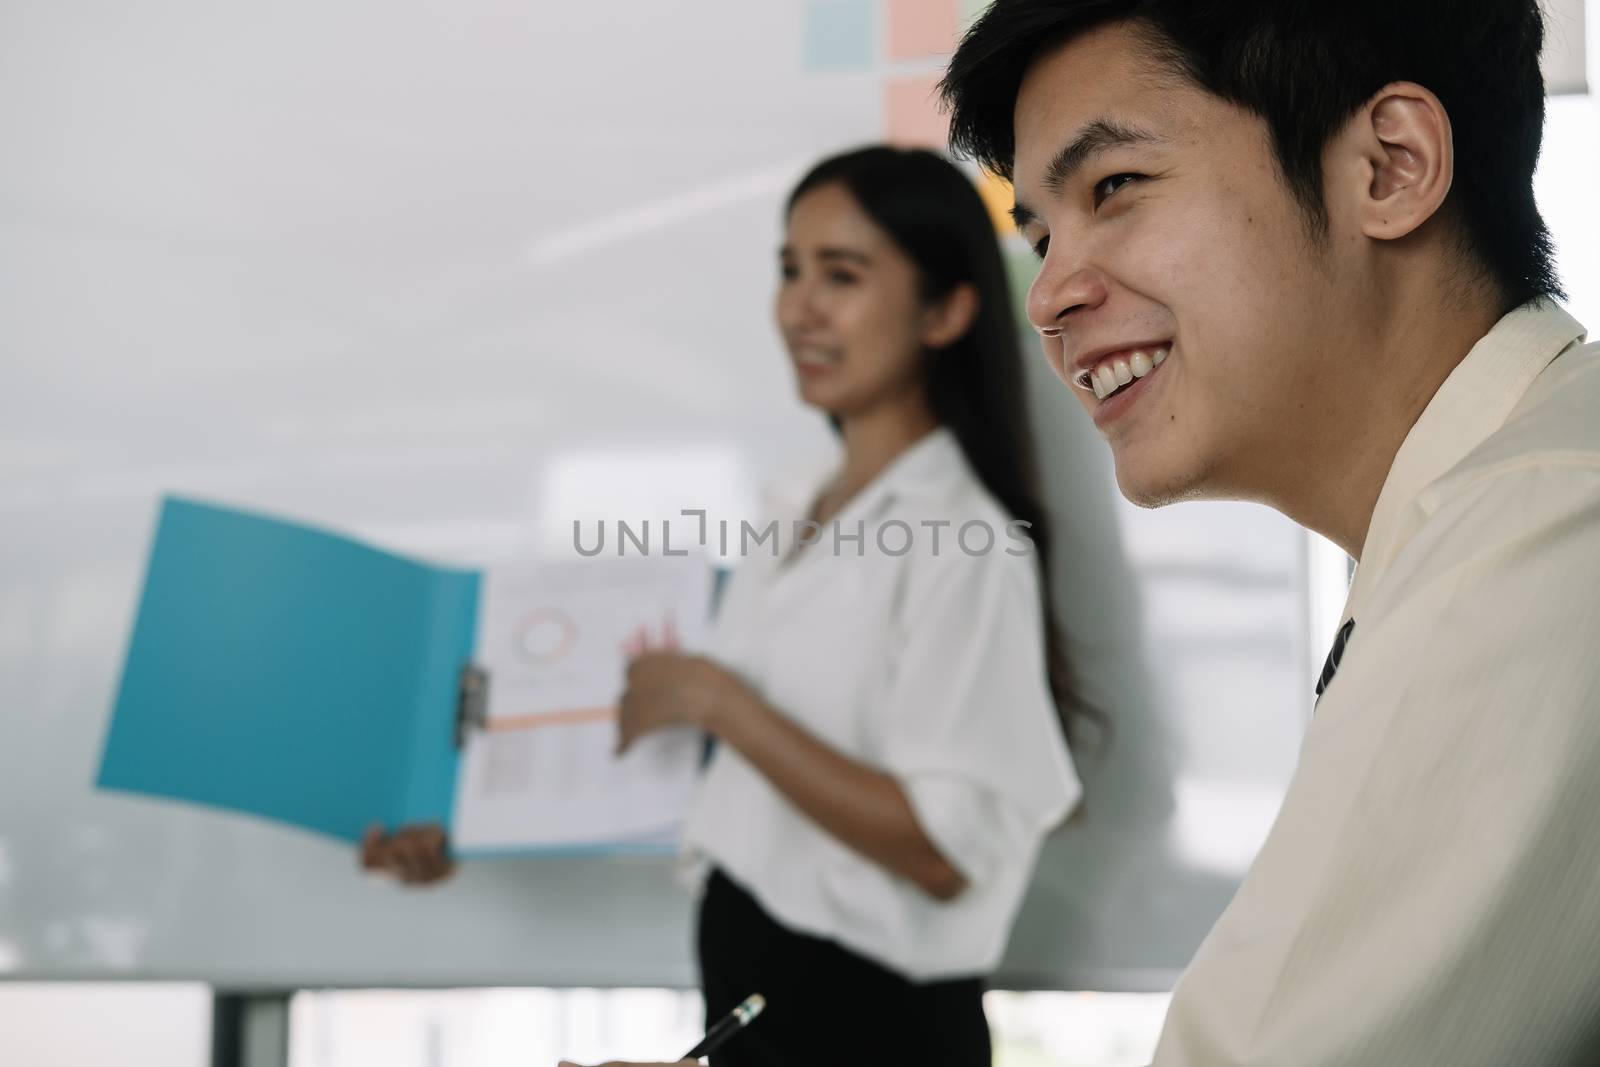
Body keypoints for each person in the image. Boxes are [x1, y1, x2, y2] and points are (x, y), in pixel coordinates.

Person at [933, 1, 1599, 1064]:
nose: (1050, 295)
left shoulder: (1539, 529)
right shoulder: (1484, 505)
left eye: (1115, 187)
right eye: (1044, 233)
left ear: (1389, 165)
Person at [368, 146, 1092, 1066]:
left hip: (878, 1031)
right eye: (790, 270)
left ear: (946, 309)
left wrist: (721, 704)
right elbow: (733, 798)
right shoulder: (795, 508)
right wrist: (461, 819)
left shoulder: (966, 540)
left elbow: (943, 851)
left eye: (843, 274)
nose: (800, 308)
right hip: (765, 1012)